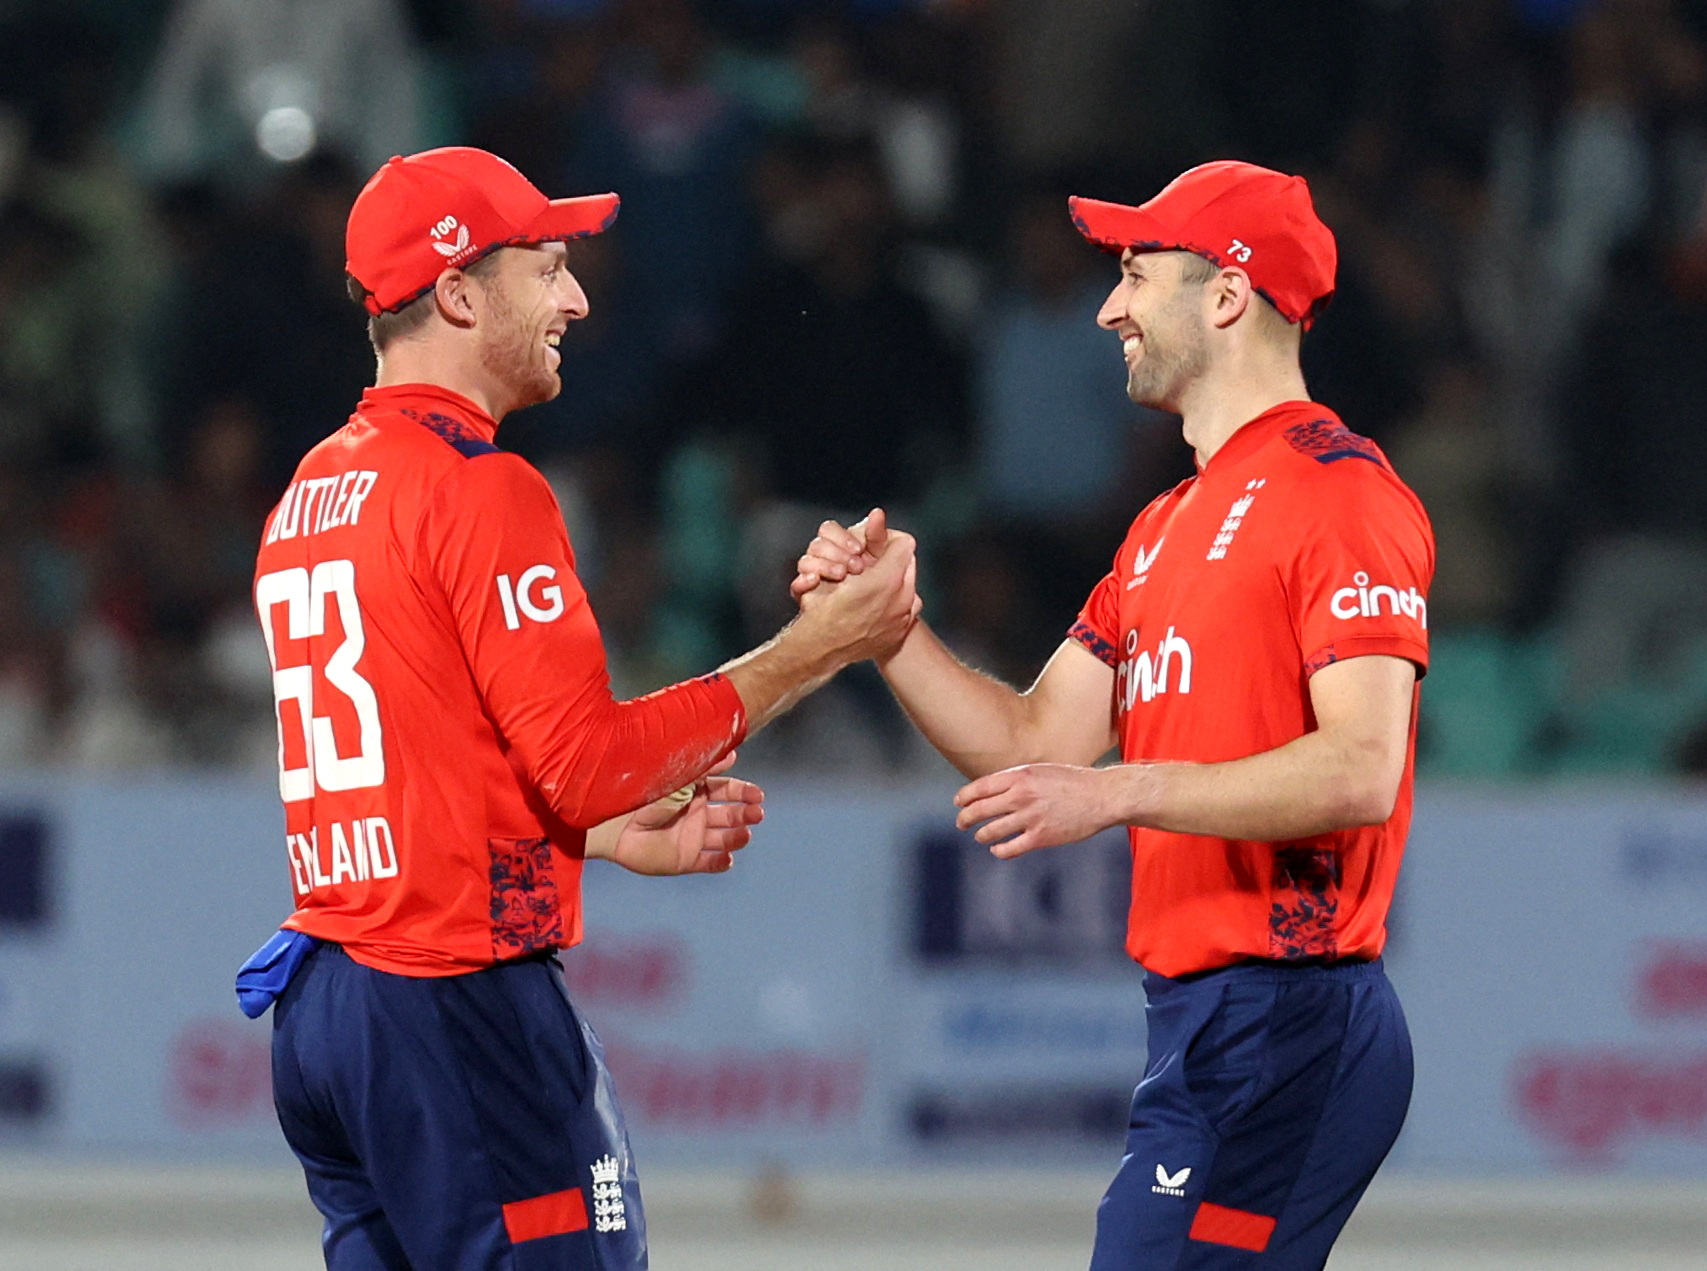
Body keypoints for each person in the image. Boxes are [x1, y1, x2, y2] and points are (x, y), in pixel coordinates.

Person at [240, 145, 918, 1271]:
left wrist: (590, 840)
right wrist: (819, 647)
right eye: (545, 267)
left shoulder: (311, 488)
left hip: (329, 1007)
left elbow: (414, 766)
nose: (576, 298)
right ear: (458, 291)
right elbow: (587, 761)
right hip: (454, 1005)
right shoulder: (477, 484)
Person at [795, 161, 1434, 1269]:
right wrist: (885, 631)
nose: (1107, 306)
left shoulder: (1342, 494)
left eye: (1135, 274)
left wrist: (1123, 786)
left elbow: (1360, 768)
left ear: (1227, 293)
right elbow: (1034, 738)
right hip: (1205, 1022)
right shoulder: (1161, 527)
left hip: (1290, 1016)